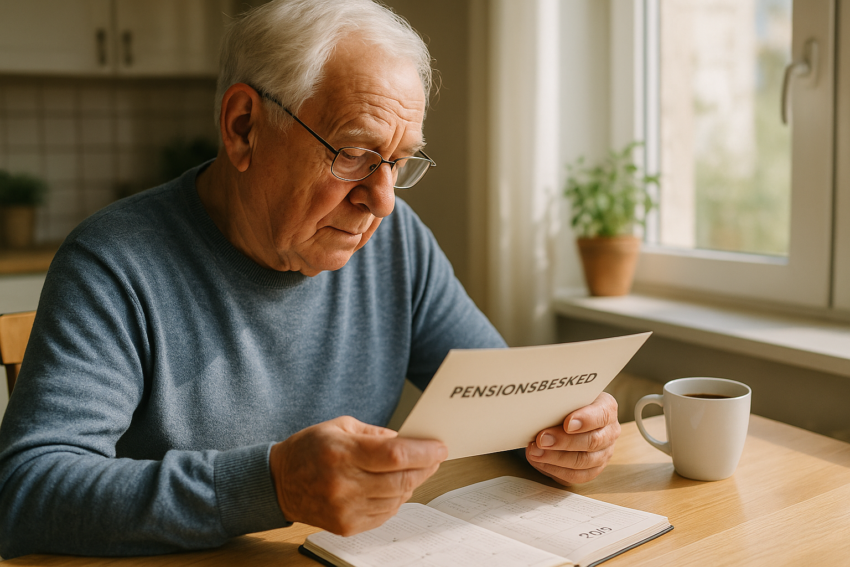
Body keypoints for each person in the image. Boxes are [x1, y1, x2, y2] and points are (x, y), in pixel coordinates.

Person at [0, 0, 620, 558]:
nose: (381, 200)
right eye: (354, 153)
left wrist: (565, 431)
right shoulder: (114, 262)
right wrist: (272, 485)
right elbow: (26, 490)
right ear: (244, 126)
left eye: (399, 163)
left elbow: (506, 402)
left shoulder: (398, 241)